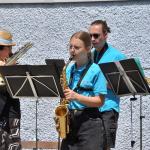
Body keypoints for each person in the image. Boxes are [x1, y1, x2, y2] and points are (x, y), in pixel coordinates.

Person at [60, 31, 107, 150]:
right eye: (70, 46)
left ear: (88, 48)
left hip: (90, 123)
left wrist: (76, 97)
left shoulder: (96, 70)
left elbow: (100, 101)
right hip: (71, 122)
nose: (72, 50)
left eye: (76, 47)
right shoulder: (69, 69)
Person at [89, 20, 126, 150]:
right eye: (90, 36)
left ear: (105, 35)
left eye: (96, 35)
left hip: (108, 108)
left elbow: (125, 85)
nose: (92, 39)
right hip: (91, 107)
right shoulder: (90, 56)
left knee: (105, 147)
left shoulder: (117, 56)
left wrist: (103, 83)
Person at [0, 28, 21, 150]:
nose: (11, 52)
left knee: (11, 144)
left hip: (10, 113)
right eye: (9, 49)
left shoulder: (13, 64)